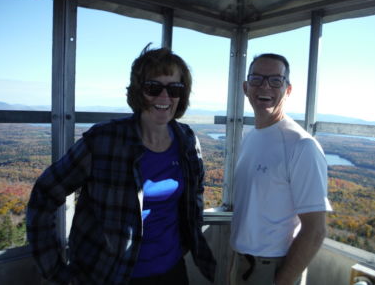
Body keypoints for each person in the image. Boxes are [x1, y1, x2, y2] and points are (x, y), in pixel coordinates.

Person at [26, 44, 216, 285]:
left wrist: (186, 240)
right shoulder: (104, 141)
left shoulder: (187, 140)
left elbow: (195, 193)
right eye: (153, 87)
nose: (164, 97)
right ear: (139, 91)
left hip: (172, 270)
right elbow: (44, 193)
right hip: (110, 274)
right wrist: (54, 270)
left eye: (174, 88)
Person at [229, 53, 332, 285]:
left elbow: (315, 230)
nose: (265, 86)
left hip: (271, 268)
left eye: (275, 80)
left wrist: (281, 281)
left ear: (288, 89)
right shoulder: (252, 137)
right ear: (246, 87)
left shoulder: (302, 146)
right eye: (256, 79)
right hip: (242, 261)